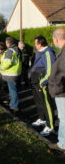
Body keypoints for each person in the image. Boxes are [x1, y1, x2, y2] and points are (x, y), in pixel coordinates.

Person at [30, 35, 56, 136]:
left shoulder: (48, 53)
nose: (35, 45)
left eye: (35, 43)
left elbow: (50, 71)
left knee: (47, 104)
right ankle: (42, 119)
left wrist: (43, 82)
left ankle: (50, 127)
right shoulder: (39, 52)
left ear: (40, 44)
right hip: (35, 81)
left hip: (42, 83)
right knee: (39, 102)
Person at [48, 28, 65, 160]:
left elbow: (62, 74)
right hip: (61, 91)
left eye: (53, 40)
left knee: (64, 119)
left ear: (56, 39)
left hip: (62, 93)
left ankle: (63, 145)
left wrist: (56, 88)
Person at [0, 37, 22, 113]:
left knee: (12, 91)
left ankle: (14, 107)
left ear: (8, 43)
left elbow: (7, 63)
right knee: (14, 90)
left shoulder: (10, 51)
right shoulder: (17, 49)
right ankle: (13, 104)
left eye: (6, 43)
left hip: (10, 74)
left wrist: (1, 68)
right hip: (16, 73)